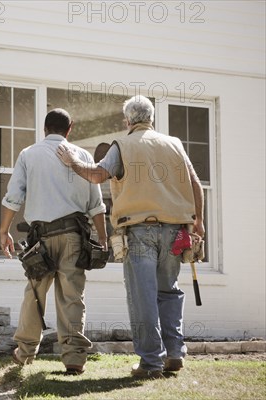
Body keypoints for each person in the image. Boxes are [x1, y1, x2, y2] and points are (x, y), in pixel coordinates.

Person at [56, 95, 205, 379]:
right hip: (175, 231)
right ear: (151, 119)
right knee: (169, 292)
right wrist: (199, 222)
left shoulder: (122, 145)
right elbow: (195, 184)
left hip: (139, 231)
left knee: (143, 297)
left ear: (128, 121)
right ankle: (174, 354)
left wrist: (73, 161)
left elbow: (98, 175)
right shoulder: (174, 143)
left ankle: (150, 362)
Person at [0, 108, 107, 375]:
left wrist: (3, 231)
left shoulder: (28, 154)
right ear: (69, 129)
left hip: (41, 240)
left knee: (35, 295)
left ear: (45, 128)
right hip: (74, 236)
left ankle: (24, 353)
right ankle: (74, 359)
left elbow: (13, 197)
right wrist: (103, 237)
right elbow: (96, 205)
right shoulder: (82, 156)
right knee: (72, 296)